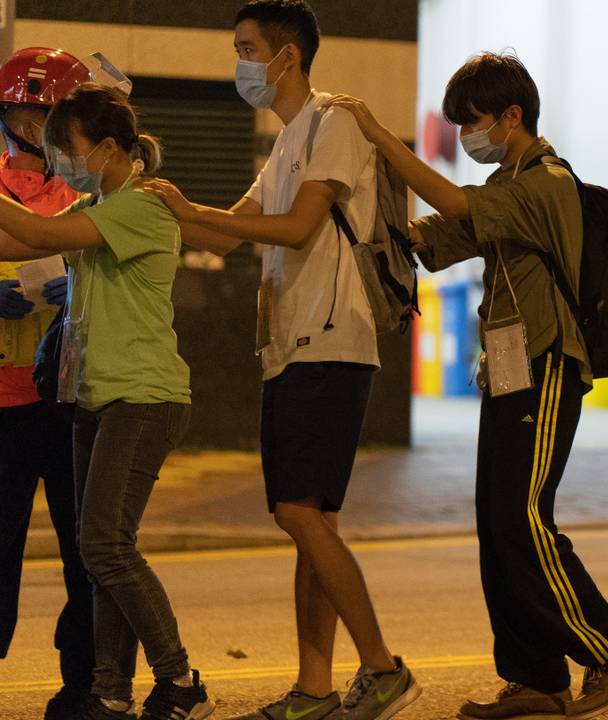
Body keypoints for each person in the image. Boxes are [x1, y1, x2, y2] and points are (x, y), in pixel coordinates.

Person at [322, 51, 608, 720]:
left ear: (512, 116)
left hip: (547, 365)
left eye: (471, 123)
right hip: (507, 371)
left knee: (523, 519)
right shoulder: (510, 183)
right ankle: (536, 677)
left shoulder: (547, 182)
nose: (466, 137)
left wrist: (384, 139)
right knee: (497, 525)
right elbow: (433, 234)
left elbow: (452, 202)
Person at [140, 2, 420, 719]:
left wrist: (191, 212)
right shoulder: (289, 139)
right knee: (310, 521)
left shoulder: (333, 123)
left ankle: (383, 668)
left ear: (286, 56)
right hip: (291, 345)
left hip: (329, 341)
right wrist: (169, 205)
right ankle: (315, 688)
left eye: (245, 48)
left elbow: (296, 228)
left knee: (298, 512)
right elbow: (234, 233)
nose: (239, 63)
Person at [0, 82, 210, 720]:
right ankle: (111, 690)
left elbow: (35, 228)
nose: (59, 158)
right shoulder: (100, 200)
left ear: (111, 148)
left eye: (68, 147)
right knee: (102, 551)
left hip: (142, 396)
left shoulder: (140, 206)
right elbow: (28, 242)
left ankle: (179, 681)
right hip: (94, 394)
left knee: (104, 547)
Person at [0, 46, 93, 720]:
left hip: (69, 404)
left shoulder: (93, 196)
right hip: (1, 404)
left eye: (49, 113)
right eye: (25, 111)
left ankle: (84, 685)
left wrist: (82, 290)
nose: (35, 124)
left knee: (85, 558)